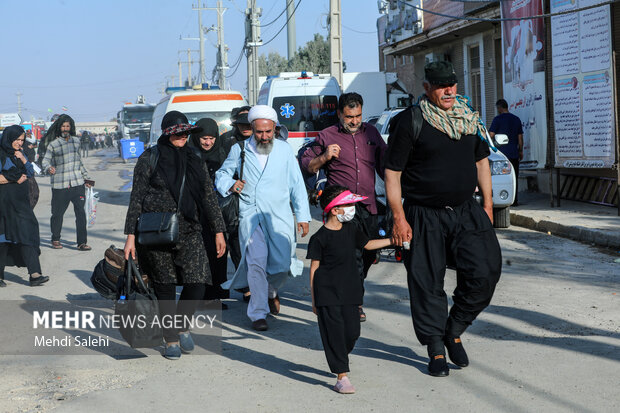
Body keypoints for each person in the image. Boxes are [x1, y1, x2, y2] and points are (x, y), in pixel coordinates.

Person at [384, 61, 502, 377]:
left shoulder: (467, 119)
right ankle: (436, 347)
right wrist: (398, 217)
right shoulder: (411, 121)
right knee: (427, 282)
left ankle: (455, 328)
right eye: (441, 85)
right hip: (422, 214)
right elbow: (392, 174)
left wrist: (488, 205)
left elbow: (482, 163)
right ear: (427, 88)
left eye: (452, 84)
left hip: (466, 210)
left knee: (485, 270)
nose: (449, 90)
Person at [123, 111, 226, 360]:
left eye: (184, 133)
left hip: (190, 229)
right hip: (156, 231)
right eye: (177, 133)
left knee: (198, 282)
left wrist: (219, 230)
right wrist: (130, 235)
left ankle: (181, 325)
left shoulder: (194, 158)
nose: (182, 137)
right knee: (165, 287)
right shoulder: (150, 158)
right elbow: (136, 196)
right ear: (167, 133)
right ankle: (170, 339)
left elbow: (208, 197)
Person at [215, 105, 311, 331]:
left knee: (282, 264)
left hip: (279, 215)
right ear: (252, 129)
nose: (265, 137)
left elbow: (297, 185)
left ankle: (269, 292)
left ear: (275, 129)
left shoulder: (285, 150)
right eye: (260, 132)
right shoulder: (240, 150)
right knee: (256, 262)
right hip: (251, 215)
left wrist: (303, 216)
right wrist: (231, 184)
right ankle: (258, 313)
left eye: (269, 132)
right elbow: (221, 174)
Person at [301, 92, 387, 322]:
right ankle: (355, 302)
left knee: (368, 253)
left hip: (368, 205)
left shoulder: (371, 132)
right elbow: (308, 165)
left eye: (358, 116)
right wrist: (325, 157)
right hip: (342, 208)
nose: (354, 121)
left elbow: (386, 165)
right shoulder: (326, 135)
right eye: (349, 117)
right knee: (353, 255)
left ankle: (353, 289)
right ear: (339, 114)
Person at [307, 185, 391, 394]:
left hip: (351, 291)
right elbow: (314, 268)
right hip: (327, 293)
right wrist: (314, 299)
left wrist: (392, 240)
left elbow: (368, 245)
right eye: (348, 205)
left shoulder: (352, 229)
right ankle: (341, 376)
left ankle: (340, 356)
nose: (352, 208)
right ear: (334, 210)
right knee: (334, 333)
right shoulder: (319, 238)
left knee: (352, 332)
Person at [0, 126, 49, 287]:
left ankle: (35, 275)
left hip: (21, 204)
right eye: (17, 139)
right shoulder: (1, 155)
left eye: (22, 140)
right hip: (4, 204)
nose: (19, 143)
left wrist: (23, 158)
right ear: (9, 138)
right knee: (3, 239)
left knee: (28, 234)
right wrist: (13, 179)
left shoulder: (19, 154)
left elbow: (30, 172)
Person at [189, 118, 230, 309]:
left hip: (218, 213)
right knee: (199, 256)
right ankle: (199, 295)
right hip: (195, 215)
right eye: (204, 138)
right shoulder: (189, 155)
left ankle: (214, 295)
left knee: (219, 254)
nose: (208, 142)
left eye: (212, 138)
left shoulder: (223, 155)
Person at [41, 114, 93, 251]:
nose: (65, 128)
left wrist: (86, 178)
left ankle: (82, 242)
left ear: (71, 127)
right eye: (63, 126)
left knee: (81, 213)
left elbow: (79, 162)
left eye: (67, 126)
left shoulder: (76, 141)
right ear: (59, 128)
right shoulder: (53, 145)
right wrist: (48, 168)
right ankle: (55, 238)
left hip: (77, 183)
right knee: (57, 214)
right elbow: (45, 161)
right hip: (60, 185)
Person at [219, 105, 253, 302]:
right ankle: (247, 287)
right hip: (234, 201)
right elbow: (221, 169)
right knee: (236, 245)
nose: (245, 127)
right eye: (241, 124)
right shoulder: (228, 141)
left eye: (249, 123)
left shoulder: (263, 141)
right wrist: (231, 183)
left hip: (258, 201)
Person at [489, 99, 523, 205]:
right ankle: (515, 200)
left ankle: (504, 198)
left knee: (502, 178)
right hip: (514, 153)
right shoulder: (516, 119)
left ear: (499, 108)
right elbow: (520, 138)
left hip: (501, 155)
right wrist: (520, 151)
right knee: (514, 177)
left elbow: (490, 135)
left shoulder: (497, 119)